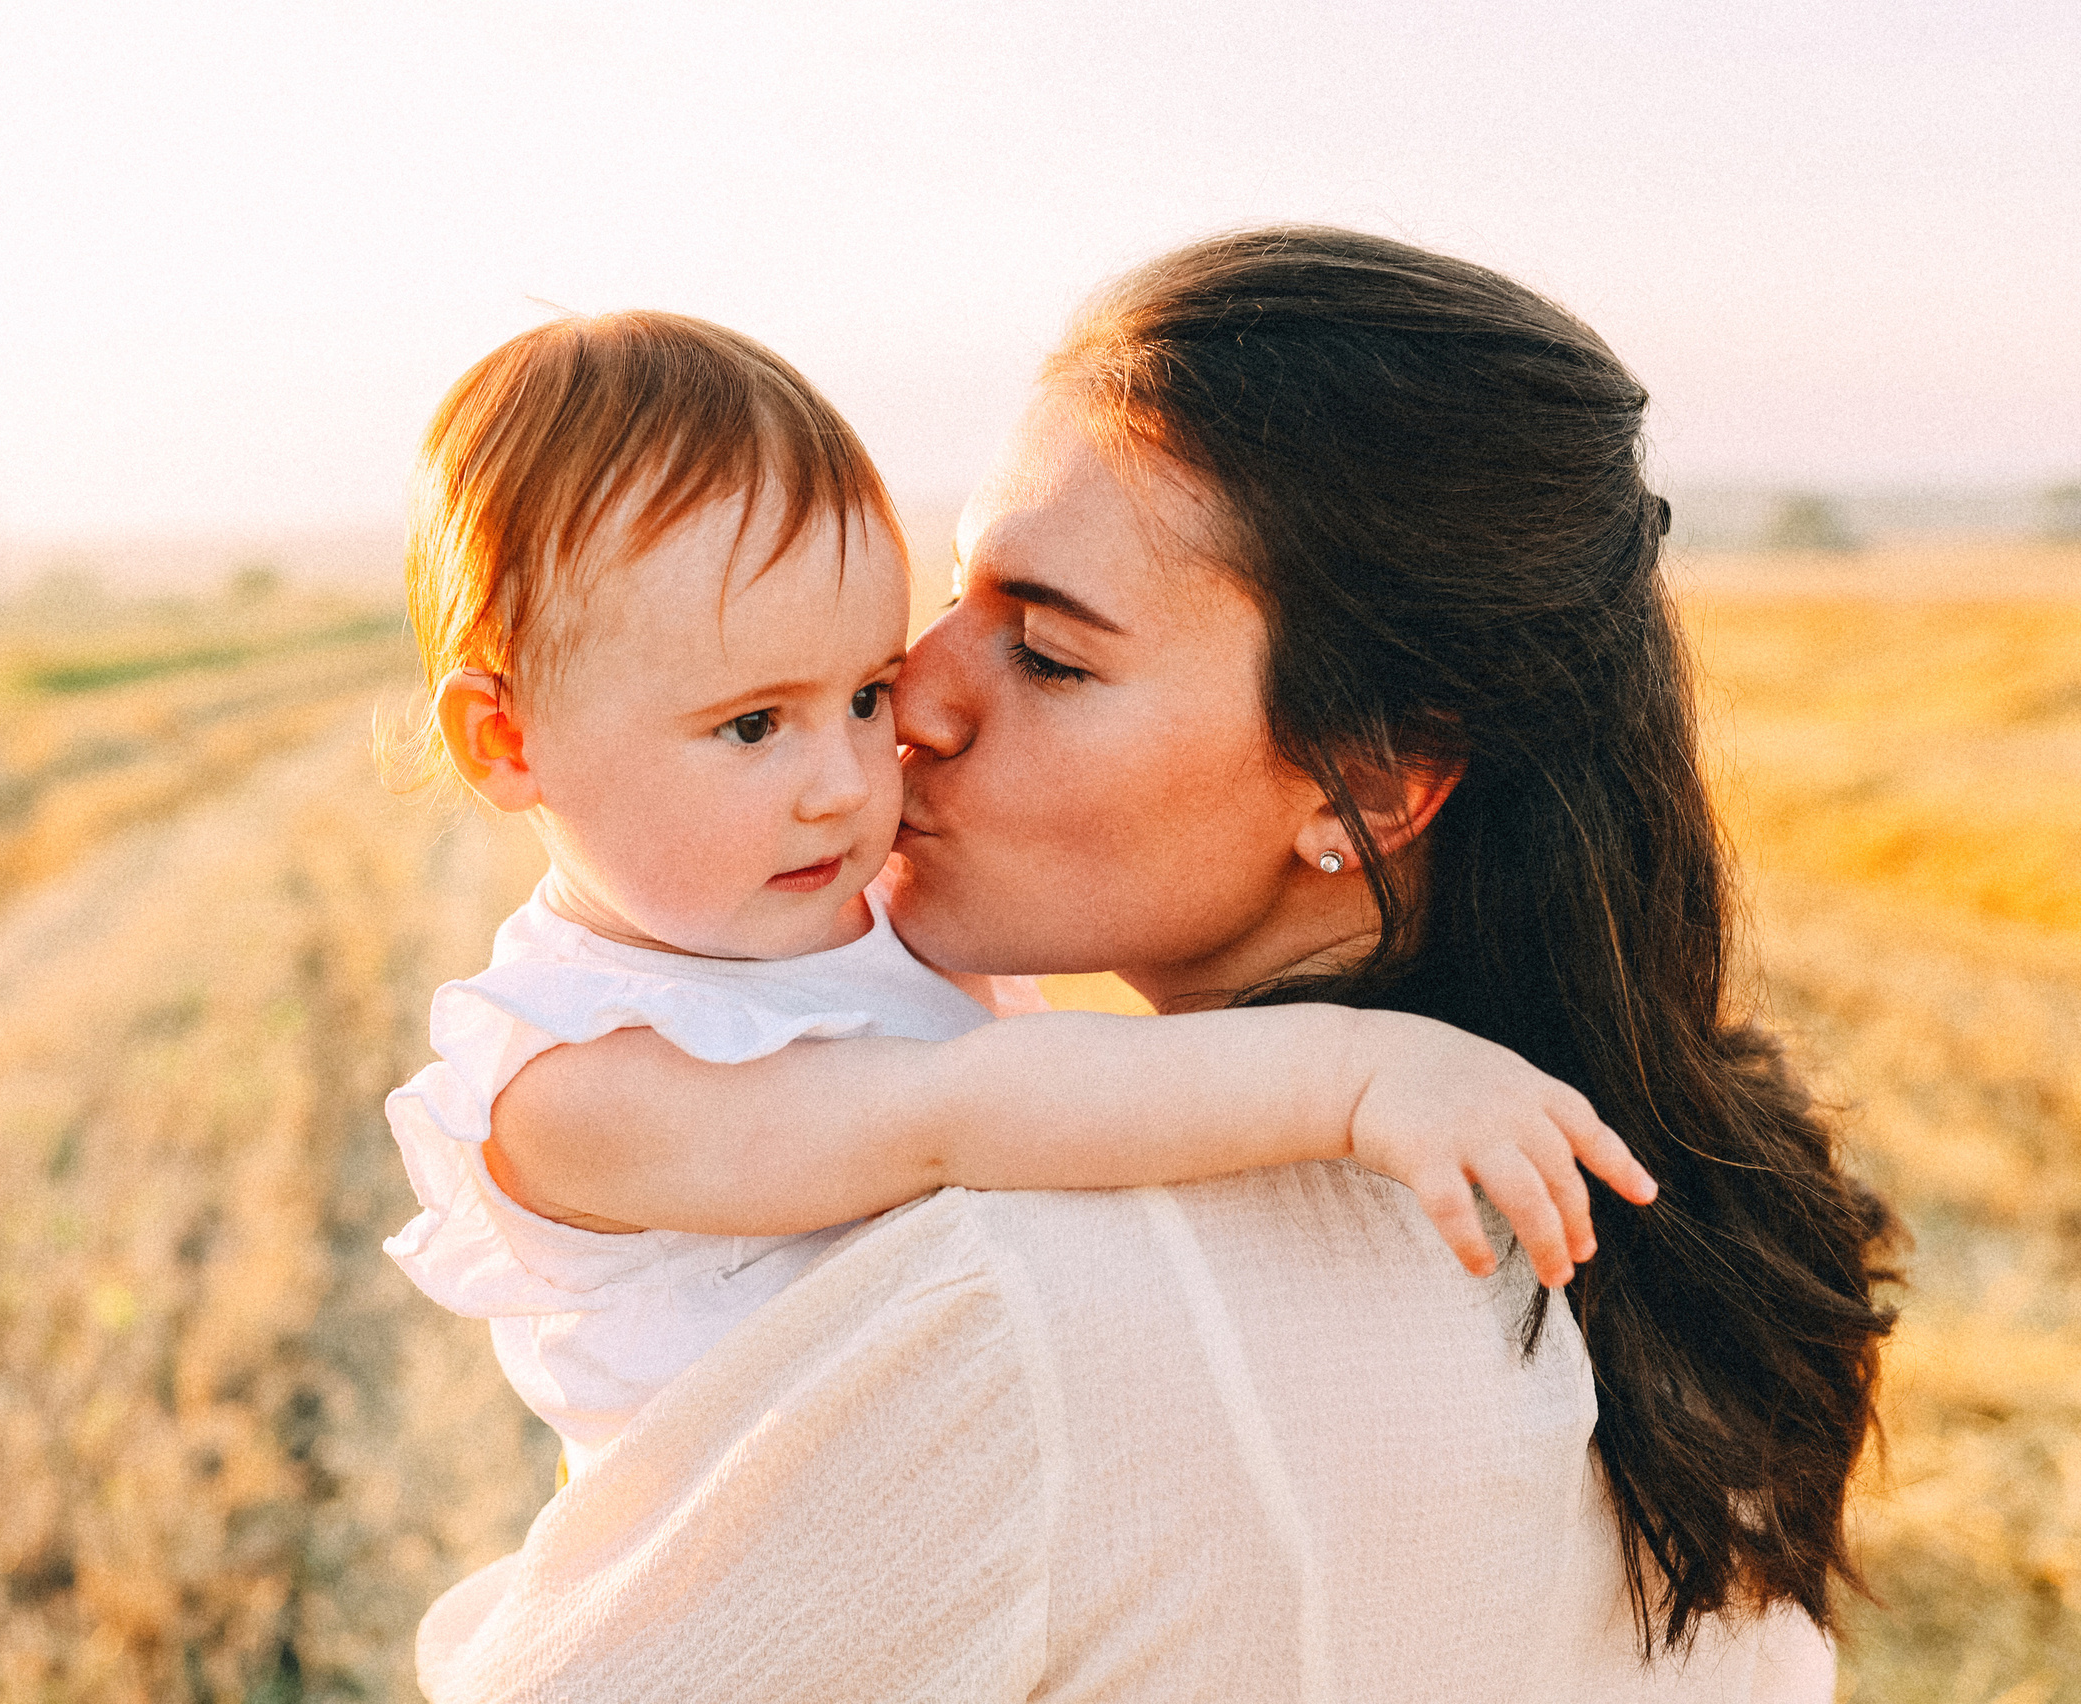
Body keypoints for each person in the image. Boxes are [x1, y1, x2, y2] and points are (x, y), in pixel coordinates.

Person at [412, 231, 1898, 1701]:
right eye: (954, 596)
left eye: (1048, 655)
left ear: (1369, 780)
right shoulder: (1709, 1242)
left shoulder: (1017, 1316)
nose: (911, 701)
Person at [381, 309, 1651, 1483]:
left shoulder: (846, 919)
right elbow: (955, 1114)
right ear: (506, 743)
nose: (849, 778)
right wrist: (1356, 1077)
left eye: (864, 691)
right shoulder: (569, 1087)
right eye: (753, 723)